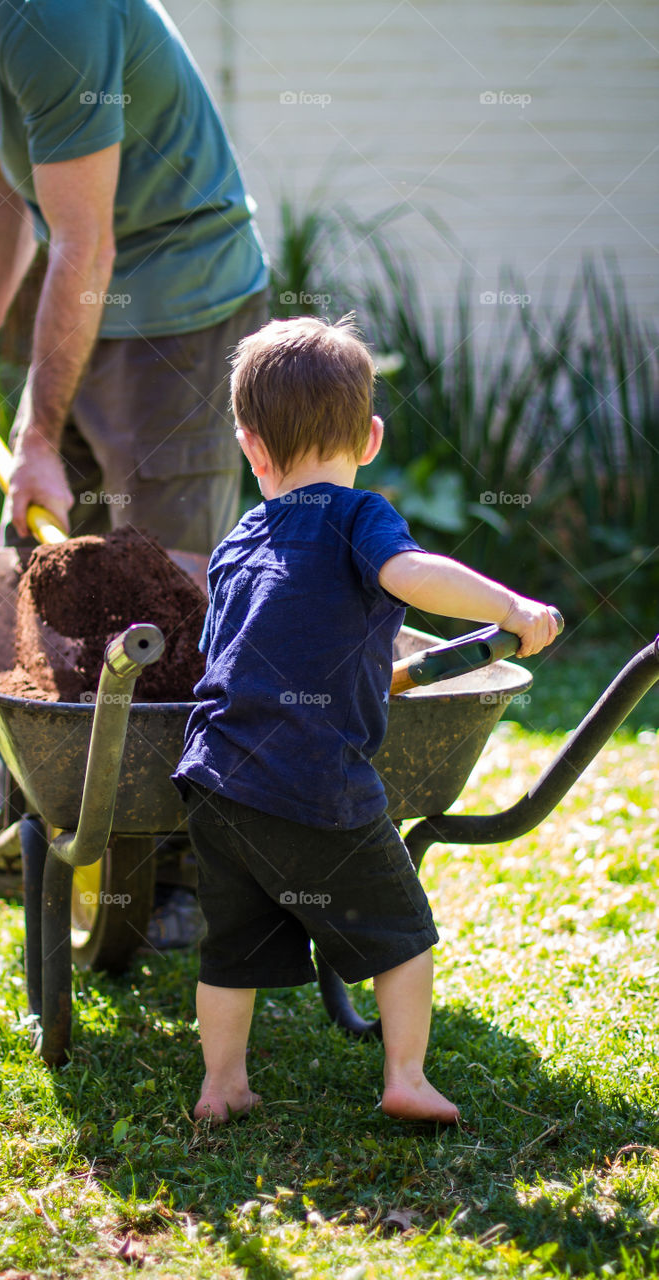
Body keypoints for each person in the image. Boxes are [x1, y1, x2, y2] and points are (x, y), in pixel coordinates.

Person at [0, 0, 270, 905]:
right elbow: (13, 172)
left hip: (181, 304)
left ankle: (169, 868)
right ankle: (7, 819)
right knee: (40, 564)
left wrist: (36, 433)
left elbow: (84, 239)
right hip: (86, 294)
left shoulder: (60, 11)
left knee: (163, 591)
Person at [171, 316, 560, 1123]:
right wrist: (508, 604)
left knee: (231, 947)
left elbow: (234, 653)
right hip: (310, 778)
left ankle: (222, 1087)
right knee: (404, 936)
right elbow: (409, 573)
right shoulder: (357, 517)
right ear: (372, 437)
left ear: (252, 449)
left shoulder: (237, 542)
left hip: (211, 778)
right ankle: (405, 1079)